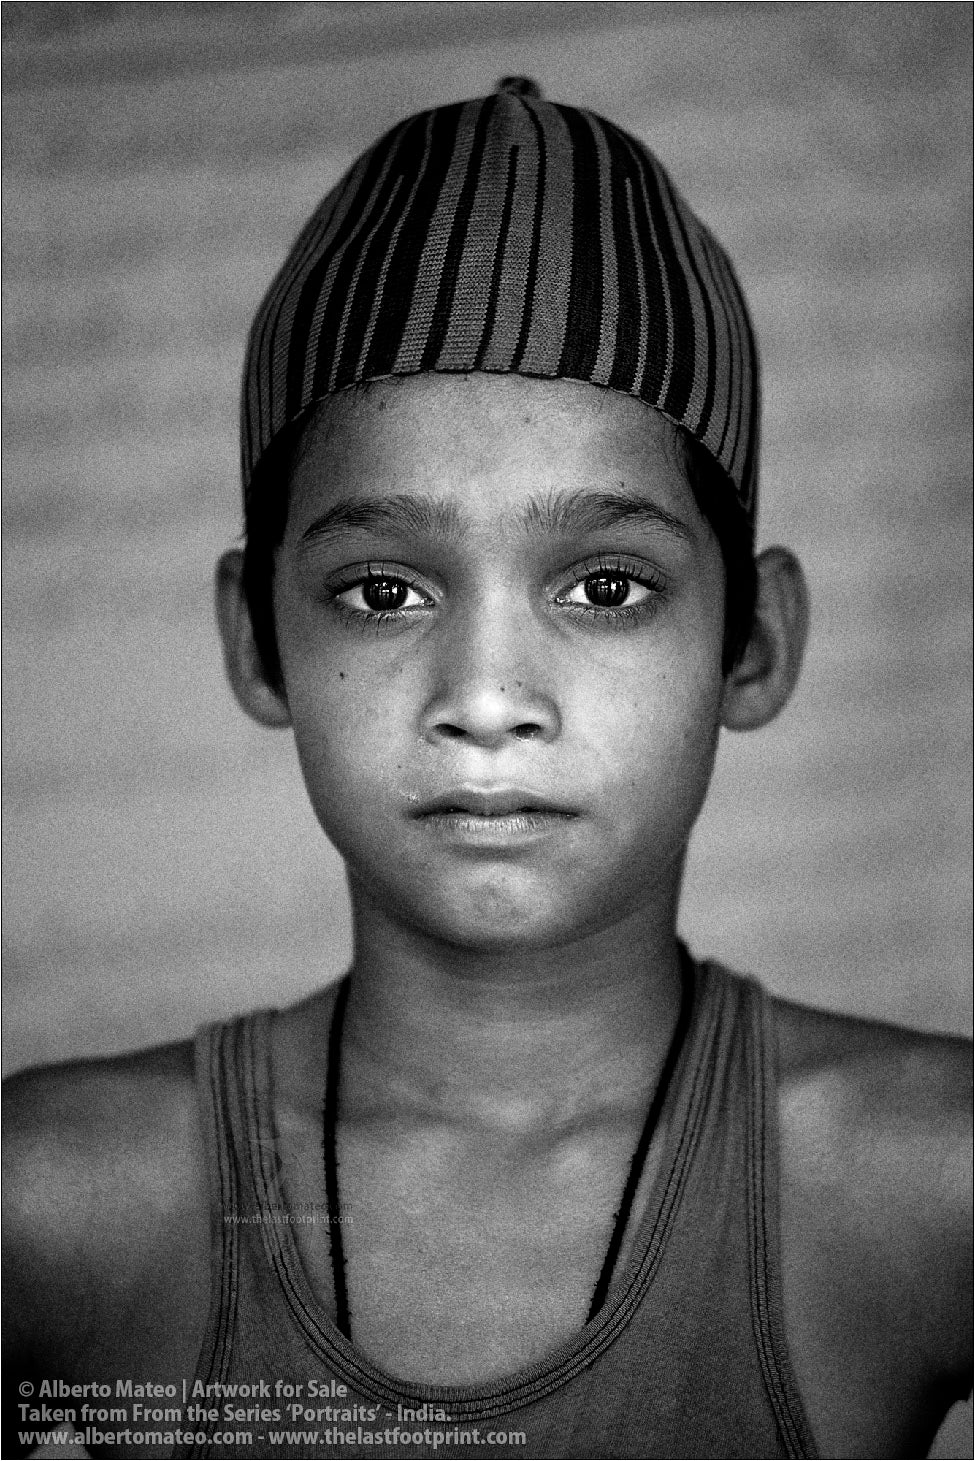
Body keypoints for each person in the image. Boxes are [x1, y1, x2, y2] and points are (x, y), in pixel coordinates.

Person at [3, 79, 970, 1461]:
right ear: (257, 640)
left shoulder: (926, 1186)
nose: (488, 699)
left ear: (753, 643)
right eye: (384, 591)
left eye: (608, 586)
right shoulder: (59, 1206)